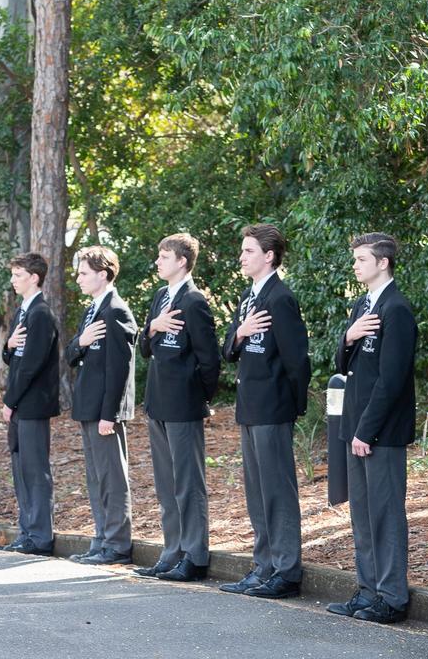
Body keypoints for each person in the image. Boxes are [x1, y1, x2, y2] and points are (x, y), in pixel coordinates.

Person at [328, 233, 416, 625]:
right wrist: (349, 335)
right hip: (356, 425)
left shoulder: (396, 309)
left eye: (361, 259)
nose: (355, 265)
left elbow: (392, 380)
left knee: (385, 515)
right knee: (362, 516)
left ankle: (392, 596)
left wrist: (367, 430)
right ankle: (367, 591)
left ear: (382, 263)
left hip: (381, 431)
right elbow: (342, 363)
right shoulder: (363, 305)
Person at [219, 224, 311, 600]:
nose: (242, 257)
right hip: (249, 406)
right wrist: (240, 332)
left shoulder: (280, 298)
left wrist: (292, 407)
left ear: (269, 256)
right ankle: (263, 566)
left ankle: (286, 571)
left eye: (248, 251)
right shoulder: (247, 296)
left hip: (273, 408)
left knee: (278, 492)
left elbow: (296, 360)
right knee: (257, 492)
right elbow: (228, 349)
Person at [134, 233, 220, 582]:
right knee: (167, 485)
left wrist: (199, 398)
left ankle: (194, 555)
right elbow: (145, 349)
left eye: (164, 256)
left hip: (183, 405)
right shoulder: (159, 297)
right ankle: (171, 552)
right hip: (157, 402)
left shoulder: (194, 300)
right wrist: (152, 327)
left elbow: (210, 360)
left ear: (182, 261)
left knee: (188, 484)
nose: (157, 262)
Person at [65, 246, 136, 566]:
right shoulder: (92, 310)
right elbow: (69, 354)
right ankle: (102, 539)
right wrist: (81, 341)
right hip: (88, 406)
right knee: (96, 478)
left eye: (83, 273)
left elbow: (120, 368)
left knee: (112, 478)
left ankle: (117, 544)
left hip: (104, 411)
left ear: (103, 274)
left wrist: (110, 413)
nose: (77, 278)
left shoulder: (115, 311)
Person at [0, 252, 60, 556]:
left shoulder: (41, 314)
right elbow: (13, 357)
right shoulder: (22, 312)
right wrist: (7, 347)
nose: (13, 280)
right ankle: (27, 530)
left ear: (34, 278)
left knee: (35, 470)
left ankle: (41, 536)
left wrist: (10, 400)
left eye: (18, 275)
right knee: (20, 468)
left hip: (33, 403)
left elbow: (32, 364)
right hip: (19, 404)